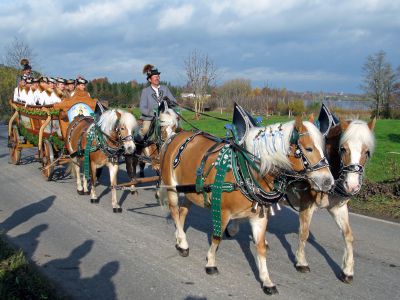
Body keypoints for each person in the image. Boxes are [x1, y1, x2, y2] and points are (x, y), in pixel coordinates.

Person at [138, 64, 177, 139]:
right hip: (150, 118)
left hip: (166, 117)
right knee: (145, 130)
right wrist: (154, 113)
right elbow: (142, 108)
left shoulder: (165, 89)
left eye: (158, 76)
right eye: (155, 76)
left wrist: (170, 102)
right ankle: (138, 146)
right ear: (150, 79)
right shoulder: (145, 91)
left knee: (177, 129)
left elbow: (174, 102)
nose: (157, 78)